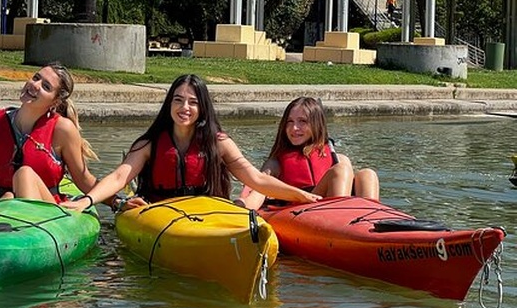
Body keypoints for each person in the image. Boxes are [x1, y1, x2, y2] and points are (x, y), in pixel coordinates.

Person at [62, 74, 320, 213]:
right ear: (169, 104)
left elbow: (255, 178)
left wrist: (301, 195)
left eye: (193, 102)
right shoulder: (149, 143)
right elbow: (120, 176)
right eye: (178, 100)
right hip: (160, 213)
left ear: (203, 108)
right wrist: (86, 201)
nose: (185, 108)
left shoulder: (219, 143)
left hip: (206, 213)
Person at [0, 62, 97, 204]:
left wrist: (115, 201)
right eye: (36, 78)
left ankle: (11, 201)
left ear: (55, 102)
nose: (35, 85)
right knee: (8, 196)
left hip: (45, 212)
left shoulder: (62, 130)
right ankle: (7, 201)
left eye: (46, 87)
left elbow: (84, 179)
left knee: (24, 175)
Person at [238, 96, 380, 210]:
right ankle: (340, 222)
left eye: (302, 121)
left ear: (316, 124)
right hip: (303, 211)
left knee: (368, 174)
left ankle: (372, 220)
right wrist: (243, 204)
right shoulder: (275, 164)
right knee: (340, 170)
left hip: (332, 207)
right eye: (290, 121)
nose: (294, 128)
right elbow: (260, 189)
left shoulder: (337, 158)